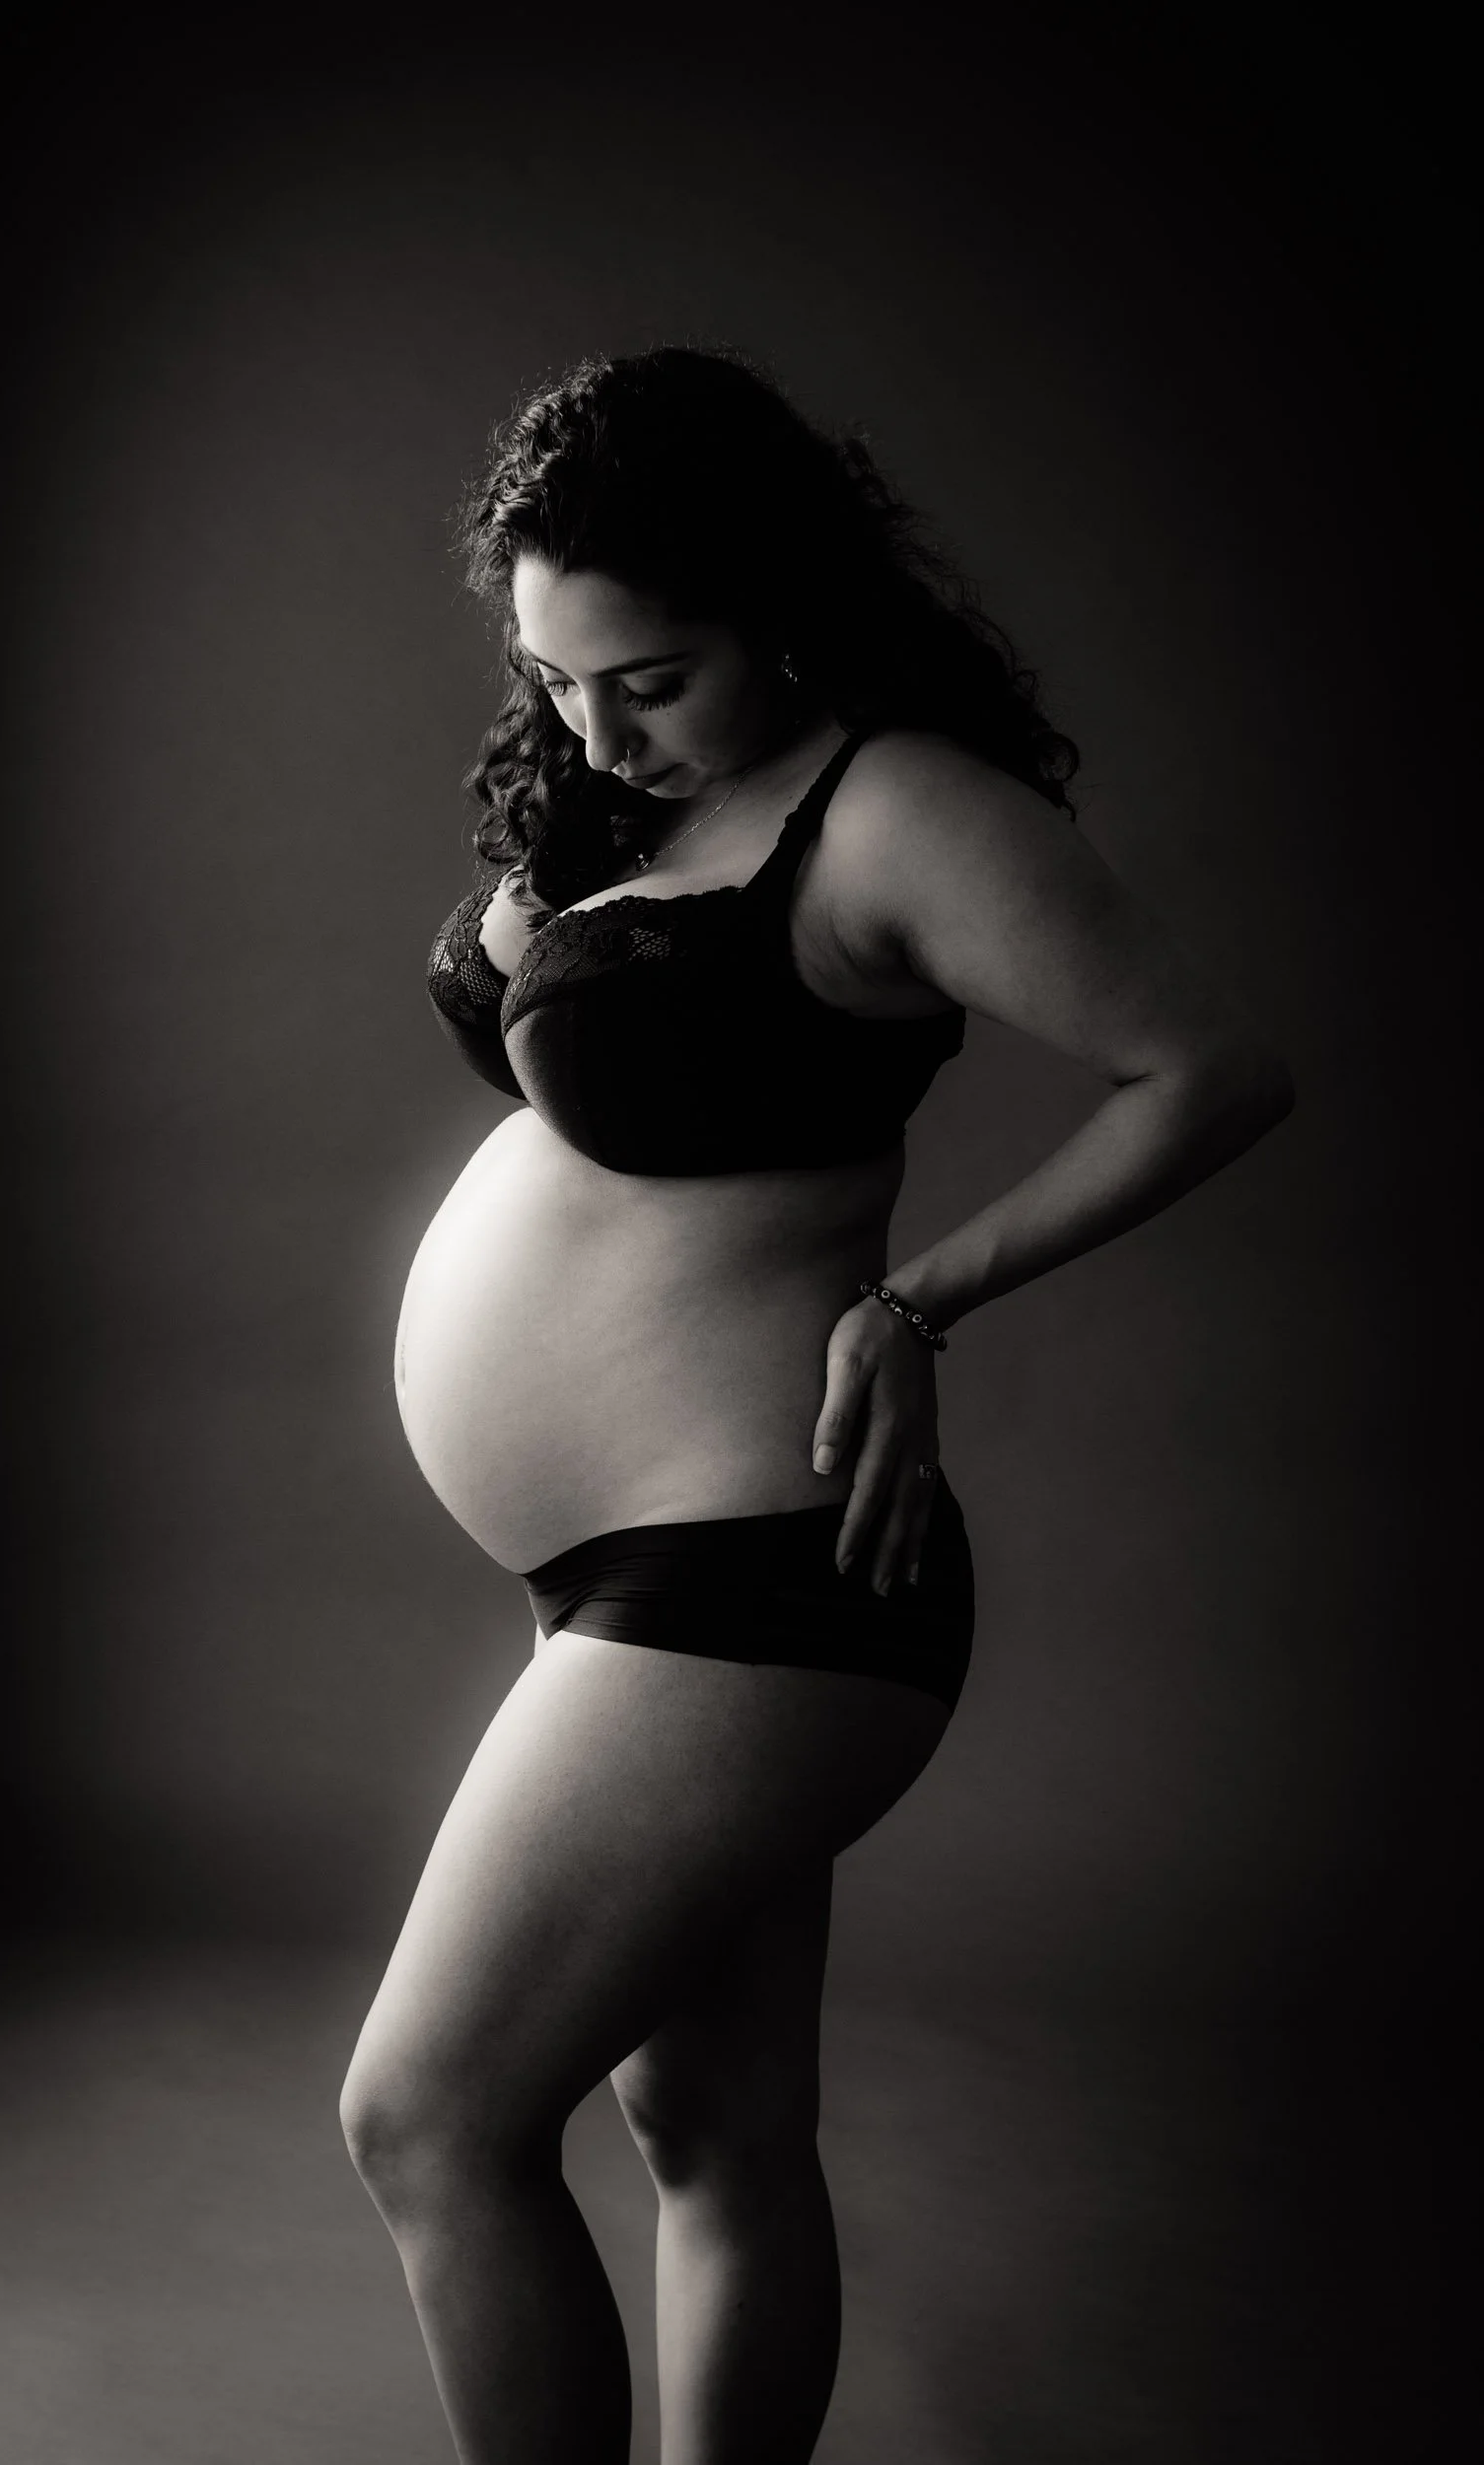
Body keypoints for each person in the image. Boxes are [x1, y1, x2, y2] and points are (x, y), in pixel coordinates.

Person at [340, 345, 1294, 2464]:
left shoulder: (901, 806)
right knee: (721, 2122)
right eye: (553, 675)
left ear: (773, 599)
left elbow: (1211, 1070)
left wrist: (923, 1302)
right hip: (645, 1573)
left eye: (644, 675)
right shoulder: (636, 790)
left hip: (764, 1567)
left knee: (427, 2111)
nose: (589, 724)